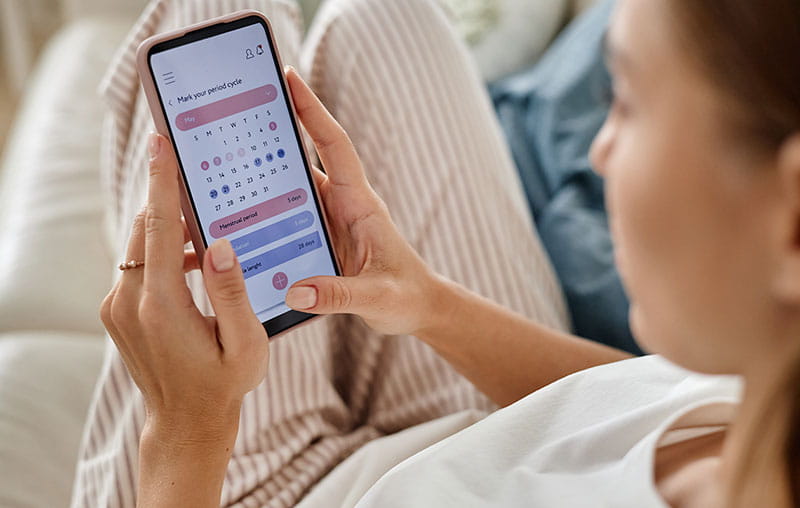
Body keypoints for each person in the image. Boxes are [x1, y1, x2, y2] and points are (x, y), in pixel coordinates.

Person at [81, 0, 800, 506]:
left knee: (215, 16)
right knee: (388, 19)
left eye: (628, 100)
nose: (598, 151)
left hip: (240, 485)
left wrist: (186, 432)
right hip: (481, 433)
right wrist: (426, 303)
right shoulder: (776, 401)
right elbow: (640, 402)